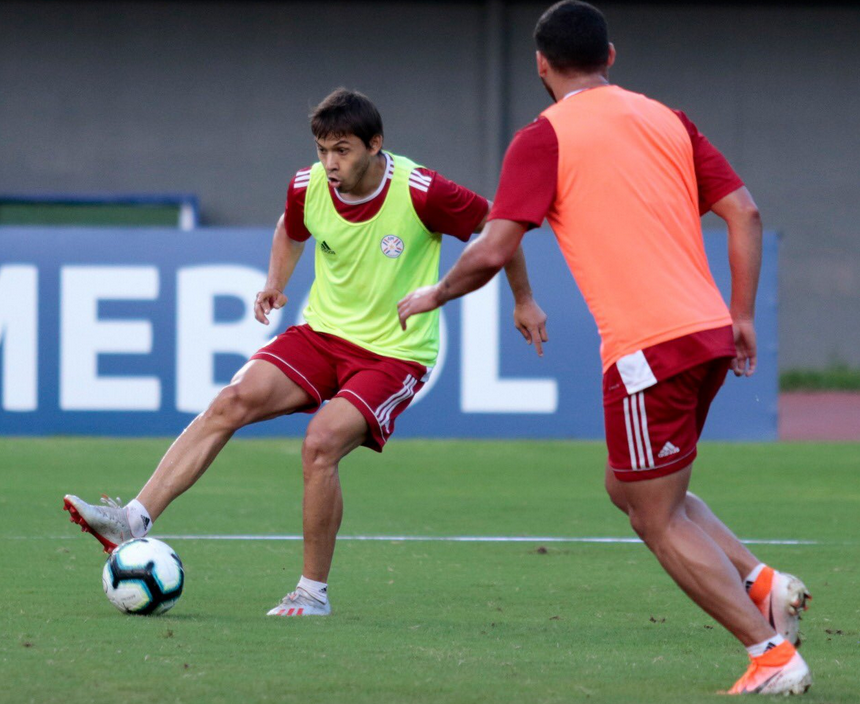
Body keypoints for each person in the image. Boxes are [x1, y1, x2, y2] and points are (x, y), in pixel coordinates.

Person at [397, 2, 811, 695]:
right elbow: (746, 212)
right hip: (705, 335)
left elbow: (495, 246)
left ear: (540, 64)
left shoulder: (543, 137)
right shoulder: (667, 118)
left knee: (653, 514)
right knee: (630, 487)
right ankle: (764, 584)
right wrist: (741, 315)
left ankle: (770, 652)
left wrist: (435, 294)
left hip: (651, 349)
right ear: (611, 56)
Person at [64, 88, 548, 617]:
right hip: (323, 334)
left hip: (395, 353)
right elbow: (290, 230)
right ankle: (133, 518)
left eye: (342, 150)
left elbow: (499, 231)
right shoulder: (307, 185)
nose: (329, 163)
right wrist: (275, 281)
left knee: (320, 444)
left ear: (375, 144)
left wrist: (523, 301)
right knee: (231, 400)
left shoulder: (421, 190)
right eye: (322, 149)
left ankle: (311, 593)